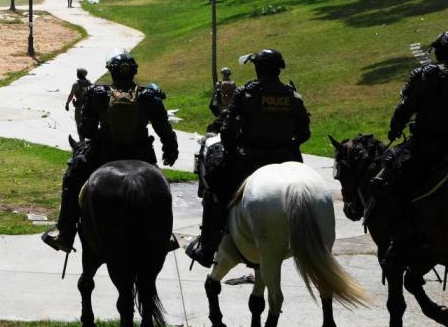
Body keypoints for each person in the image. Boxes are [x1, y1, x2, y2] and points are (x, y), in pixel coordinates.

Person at [369, 30, 448, 266]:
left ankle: (401, 239)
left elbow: (406, 106)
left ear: (440, 52)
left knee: (381, 184)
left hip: (428, 146)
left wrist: (394, 129)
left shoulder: (430, 74)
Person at [43, 53, 179, 253]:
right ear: (134, 71)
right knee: (161, 187)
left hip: (104, 153)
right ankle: (165, 235)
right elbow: (164, 130)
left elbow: (87, 130)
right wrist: (170, 150)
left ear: (111, 72)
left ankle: (65, 233)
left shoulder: (97, 93)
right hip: (140, 154)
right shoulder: (149, 95)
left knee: (72, 177)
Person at [185, 49, 310, 268]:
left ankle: (208, 245)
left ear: (258, 68)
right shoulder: (292, 96)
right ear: (279, 69)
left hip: (250, 159)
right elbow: (304, 133)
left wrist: (234, 149)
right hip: (287, 158)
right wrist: (287, 144)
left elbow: (227, 132)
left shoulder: (247, 93)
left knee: (215, 189)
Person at [208, 66, 237, 132]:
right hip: (230, 103)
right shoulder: (233, 83)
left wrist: (211, 104)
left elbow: (214, 94)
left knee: (221, 117)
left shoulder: (219, 83)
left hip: (221, 104)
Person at [65, 68, 92, 135]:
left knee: (79, 123)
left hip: (79, 106)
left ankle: (81, 139)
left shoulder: (76, 84)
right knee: (88, 123)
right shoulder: (90, 83)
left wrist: (67, 103)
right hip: (88, 106)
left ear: (79, 74)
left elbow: (71, 95)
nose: (76, 74)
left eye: (78, 73)